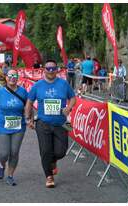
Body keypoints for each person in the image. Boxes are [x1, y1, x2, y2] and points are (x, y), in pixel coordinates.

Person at [25, 59, 76, 188]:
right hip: (43, 123)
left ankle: (53, 161)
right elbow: (30, 102)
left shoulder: (64, 84)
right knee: (45, 151)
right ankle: (49, 176)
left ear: (57, 69)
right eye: (48, 68)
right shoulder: (37, 85)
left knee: (61, 151)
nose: (51, 70)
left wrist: (69, 108)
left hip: (61, 123)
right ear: (44, 70)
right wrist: (28, 118)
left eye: (53, 68)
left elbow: (73, 98)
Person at [0, 69, 28, 186]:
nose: (12, 78)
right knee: (4, 153)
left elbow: (28, 107)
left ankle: (10, 176)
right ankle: (2, 165)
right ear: (6, 77)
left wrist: (30, 119)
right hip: (2, 126)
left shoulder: (23, 92)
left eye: (15, 75)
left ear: (18, 77)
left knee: (14, 152)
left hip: (19, 127)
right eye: (10, 76)